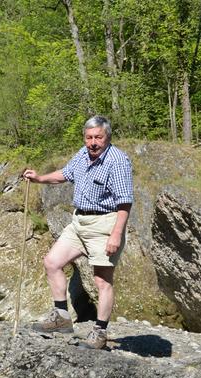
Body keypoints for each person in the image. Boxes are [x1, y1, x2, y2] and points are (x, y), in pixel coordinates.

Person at [22, 115, 133, 349]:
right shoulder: (83, 155)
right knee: (52, 262)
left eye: (98, 137)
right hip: (79, 222)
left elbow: (125, 202)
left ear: (107, 137)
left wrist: (116, 234)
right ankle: (61, 318)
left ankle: (99, 334)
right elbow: (65, 174)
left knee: (102, 281)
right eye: (89, 137)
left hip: (105, 224)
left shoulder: (118, 161)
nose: (93, 142)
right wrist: (40, 178)